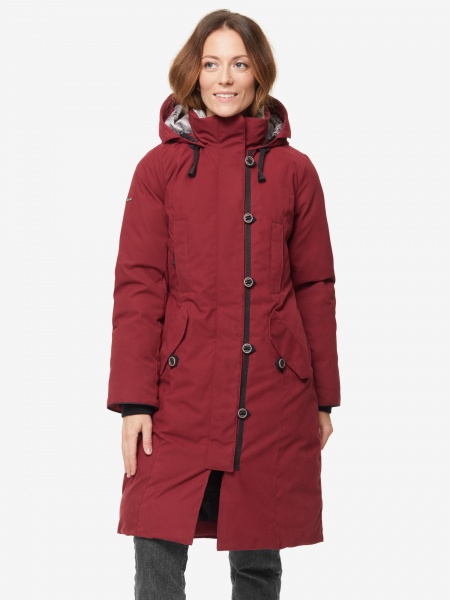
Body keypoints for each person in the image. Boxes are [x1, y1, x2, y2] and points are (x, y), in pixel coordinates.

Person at [106, 9, 340, 599]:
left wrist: (323, 397)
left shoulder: (296, 172)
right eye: (211, 64)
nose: (225, 78)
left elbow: (314, 288)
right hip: (177, 392)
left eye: (239, 64)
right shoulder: (158, 169)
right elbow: (139, 285)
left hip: (270, 392)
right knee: (157, 546)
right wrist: (134, 401)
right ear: (193, 72)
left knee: (258, 553)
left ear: (260, 73)